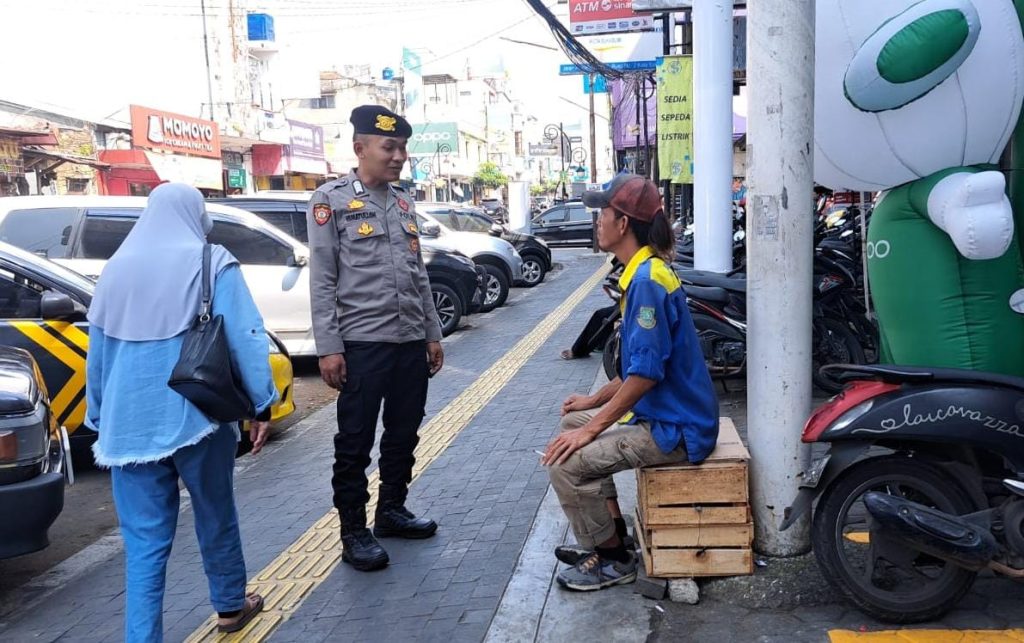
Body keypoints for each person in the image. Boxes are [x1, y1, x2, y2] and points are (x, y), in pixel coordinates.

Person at [85, 183, 278, 641]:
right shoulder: (211, 261)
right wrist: (261, 402)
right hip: (198, 417)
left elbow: (99, 356)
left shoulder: (115, 270)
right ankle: (231, 606)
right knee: (215, 512)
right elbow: (247, 336)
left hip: (127, 424)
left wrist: (98, 415)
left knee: (144, 543)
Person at [541, 174, 719, 591]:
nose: (597, 222)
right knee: (571, 428)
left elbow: (645, 375)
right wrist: (592, 400)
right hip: (670, 416)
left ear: (622, 223)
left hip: (676, 431)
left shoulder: (646, 284)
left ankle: (613, 561)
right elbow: (644, 363)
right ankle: (612, 538)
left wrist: (593, 425)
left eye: (602, 213)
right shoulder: (647, 271)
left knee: (565, 464)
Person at [307, 105, 444, 573]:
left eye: (403, 147)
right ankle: (352, 530)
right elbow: (323, 278)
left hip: (408, 342)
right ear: (360, 147)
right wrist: (329, 346)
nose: (399, 156)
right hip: (362, 344)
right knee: (355, 441)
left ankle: (391, 510)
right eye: (390, 147)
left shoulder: (404, 203)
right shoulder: (331, 200)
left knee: (404, 431)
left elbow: (418, 276)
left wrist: (432, 333)